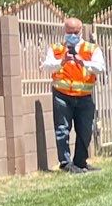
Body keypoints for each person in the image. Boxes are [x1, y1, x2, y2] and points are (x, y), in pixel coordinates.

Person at [45, 16, 105, 172]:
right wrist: (62, 62)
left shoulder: (92, 49)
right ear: (64, 31)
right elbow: (46, 66)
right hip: (62, 95)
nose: (72, 35)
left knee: (85, 130)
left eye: (75, 32)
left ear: (81, 32)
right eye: (69, 31)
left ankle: (80, 163)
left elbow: (100, 68)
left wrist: (82, 62)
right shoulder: (57, 49)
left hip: (84, 96)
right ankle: (65, 164)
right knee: (62, 130)